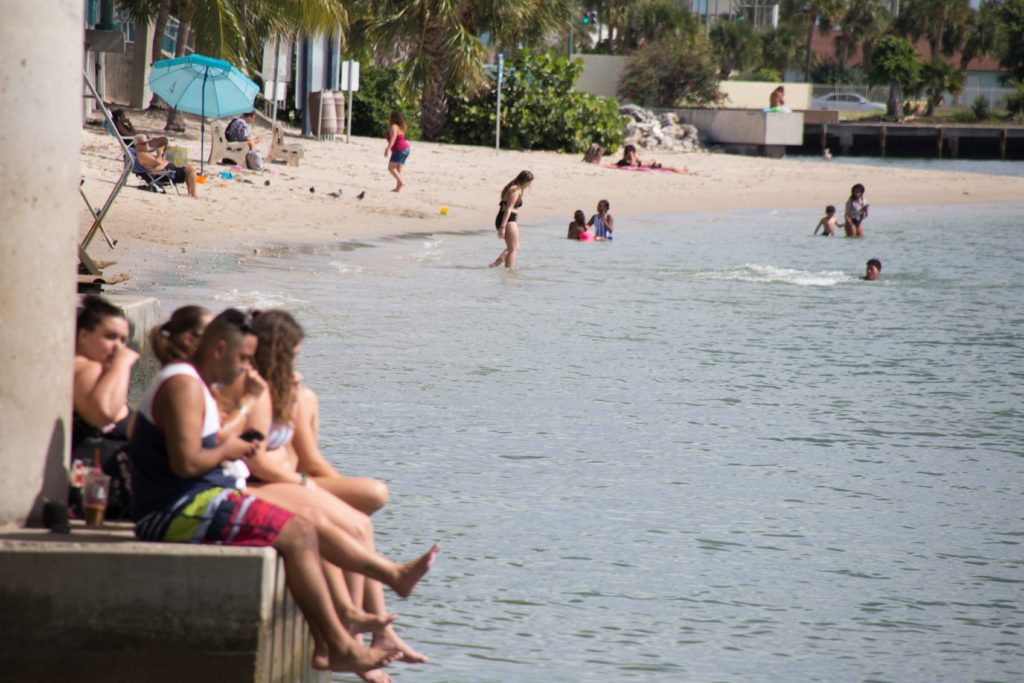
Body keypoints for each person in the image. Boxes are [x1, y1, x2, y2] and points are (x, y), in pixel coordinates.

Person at [127, 308, 437, 675]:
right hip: (174, 512)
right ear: (219, 348)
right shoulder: (183, 384)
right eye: (243, 358)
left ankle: (381, 588)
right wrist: (232, 446)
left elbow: (205, 452)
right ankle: (339, 642)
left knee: (307, 526)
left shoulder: (197, 385)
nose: (247, 367)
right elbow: (186, 464)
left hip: (204, 498)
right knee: (299, 531)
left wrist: (235, 430)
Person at [71, 295, 139, 520]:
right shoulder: (85, 367)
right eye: (110, 337)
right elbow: (103, 413)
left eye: (123, 340)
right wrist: (123, 363)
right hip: (93, 498)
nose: (119, 347)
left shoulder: (97, 370)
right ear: (83, 336)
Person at [133, 133, 199, 198]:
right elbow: (157, 163)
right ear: (137, 145)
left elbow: (156, 164)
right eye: (144, 144)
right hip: (164, 175)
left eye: (147, 142)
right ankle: (193, 194)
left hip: (166, 172)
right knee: (191, 170)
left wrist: (162, 159)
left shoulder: (145, 153)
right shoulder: (142, 155)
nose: (147, 145)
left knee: (189, 167)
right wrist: (159, 153)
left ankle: (190, 193)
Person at [490, 170, 533, 268]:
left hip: (506, 219)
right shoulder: (515, 190)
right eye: (529, 182)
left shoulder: (515, 188)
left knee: (513, 247)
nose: (529, 185)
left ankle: (495, 265)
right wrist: (502, 227)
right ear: (524, 180)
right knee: (513, 248)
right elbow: (508, 209)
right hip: (508, 219)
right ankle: (510, 272)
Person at [614, 144, 692, 174]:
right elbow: (634, 164)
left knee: (671, 167)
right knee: (671, 167)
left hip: (650, 164)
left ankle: (682, 170)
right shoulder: (629, 161)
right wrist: (633, 156)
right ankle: (683, 171)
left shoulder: (624, 161)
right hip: (652, 166)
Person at [384, 111, 411, 192]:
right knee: (399, 169)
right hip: (406, 149)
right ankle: (398, 188)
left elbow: (393, 138)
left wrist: (387, 149)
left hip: (400, 149)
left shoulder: (394, 126)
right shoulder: (401, 127)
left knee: (391, 168)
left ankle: (402, 182)